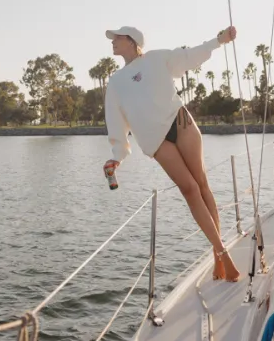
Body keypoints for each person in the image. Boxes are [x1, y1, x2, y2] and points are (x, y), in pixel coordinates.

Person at [103, 26, 240, 282]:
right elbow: (115, 120)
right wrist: (118, 154)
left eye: (117, 38)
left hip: (180, 122)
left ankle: (218, 254)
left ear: (132, 41)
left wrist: (218, 40)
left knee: (201, 183)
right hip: (155, 139)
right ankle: (224, 254)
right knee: (189, 189)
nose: (113, 42)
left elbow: (188, 56)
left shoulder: (155, 58)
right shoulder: (116, 82)